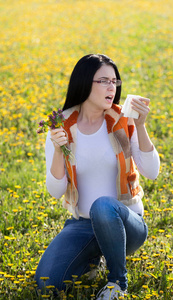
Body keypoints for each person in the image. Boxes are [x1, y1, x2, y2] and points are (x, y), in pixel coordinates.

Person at [35, 54, 160, 299]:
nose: (112, 87)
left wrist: (142, 125)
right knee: (47, 283)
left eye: (115, 81)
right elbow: (55, 191)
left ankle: (117, 283)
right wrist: (59, 150)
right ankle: (94, 259)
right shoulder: (61, 125)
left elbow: (152, 171)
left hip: (127, 222)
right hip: (82, 224)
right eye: (103, 81)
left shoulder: (123, 120)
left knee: (102, 206)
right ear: (83, 83)